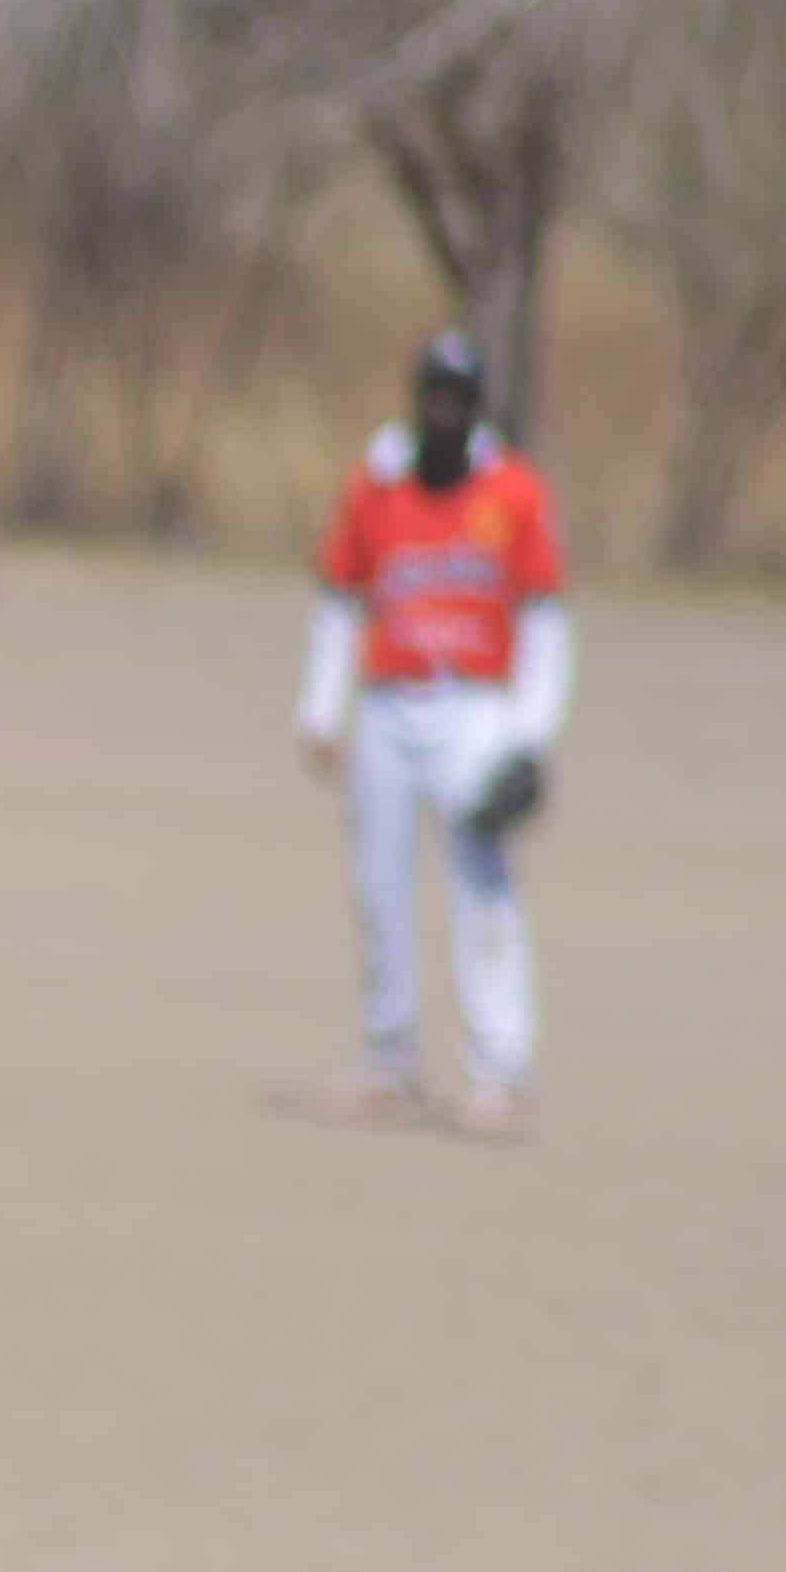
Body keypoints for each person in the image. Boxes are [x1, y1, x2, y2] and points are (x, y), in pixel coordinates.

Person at [295, 330, 571, 1136]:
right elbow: (338, 597)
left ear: (477, 405)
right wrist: (320, 709)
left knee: (481, 881)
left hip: (476, 707)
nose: (444, 413)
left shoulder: (511, 492)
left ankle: (501, 1067)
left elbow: (545, 619)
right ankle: (390, 1057)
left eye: (459, 399)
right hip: (387, 704)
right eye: (434, 397)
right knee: (377, 883)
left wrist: (530, 737)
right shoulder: (376, 486)